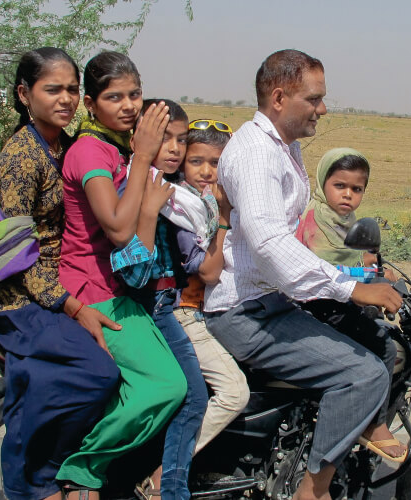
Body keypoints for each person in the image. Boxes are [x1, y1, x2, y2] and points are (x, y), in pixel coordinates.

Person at [203, 49, 403, 500]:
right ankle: (311, 492)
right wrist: (351, 288)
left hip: (271, 300)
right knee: (364, 375)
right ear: (279, 97)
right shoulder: (257, 154)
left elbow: (295, 239)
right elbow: (271, 244)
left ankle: (351, 428)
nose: (323, 109)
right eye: (314, 99)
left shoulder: (284, 146)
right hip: (246, 310)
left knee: (377, 340)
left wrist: (356, 272)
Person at [0, 47, 122, 500]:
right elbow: (17, 253)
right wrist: (74, 305)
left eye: (73, 89)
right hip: (18, 296)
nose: (66, 98)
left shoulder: (64, 142)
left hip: (56, 282)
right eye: (53, 89)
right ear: (24, 94)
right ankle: (33, 482)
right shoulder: (21, 157)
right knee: (97, 373)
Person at [55, 52, 187, 499]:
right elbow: (117, 227)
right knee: (168, 385)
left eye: (134, 94)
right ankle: (83, 467)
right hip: (92, 291)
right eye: (114, 97)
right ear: (90, 104)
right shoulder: (91, 150)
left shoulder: (112, 146)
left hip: (118, 288)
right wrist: (144, 154)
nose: (128, 105)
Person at [111, 99, 208, 500]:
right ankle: (170, 490)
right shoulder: (137, 188)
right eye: (163, 138)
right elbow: (133, 274)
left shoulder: (181, 194)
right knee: (194, 393)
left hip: (170, 301)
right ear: (139, 139)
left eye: (181, 140)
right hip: (150, 305)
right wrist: (149, 212)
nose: (173, 148)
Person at [296, 147, 407, 462]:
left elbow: (352, 256)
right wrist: (367, 272)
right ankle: (374, 423)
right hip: (317, 304)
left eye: (356, 189)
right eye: (340, 186)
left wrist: (377, 271)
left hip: (335, 299)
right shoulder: (314, 217)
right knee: (384, 346)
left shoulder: (343, 220)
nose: (347, 195)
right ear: (322, 182)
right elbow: (325, 265)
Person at [172, 119, 250, 454]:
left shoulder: (206, 201)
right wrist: (222, 216)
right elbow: (210, 273)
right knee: (235, 393)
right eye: (197, 161)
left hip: (212, 311)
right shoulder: (183, 206)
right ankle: (168, 469)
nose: (206, 171)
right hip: (185, 313)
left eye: (216, 163)